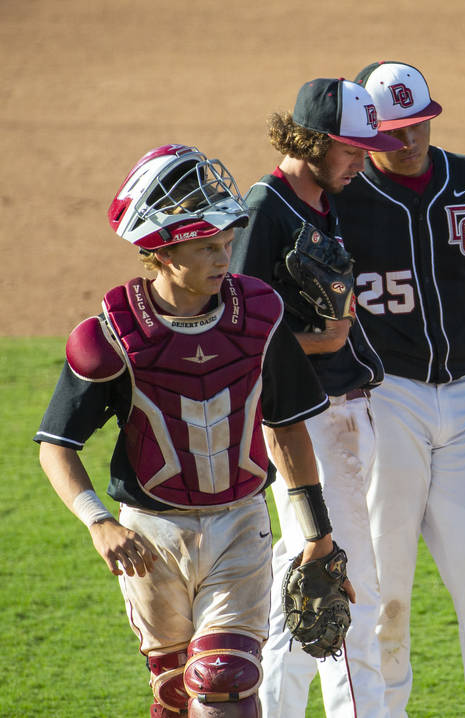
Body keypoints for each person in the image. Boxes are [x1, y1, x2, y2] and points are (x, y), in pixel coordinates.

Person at [34, 143, 349, 718]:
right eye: (207, 247)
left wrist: (316, 536)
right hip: (150, 537)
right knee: (176, 692)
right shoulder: (112, 336)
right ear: (161, 251)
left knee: (226, 680)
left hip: (240, 524)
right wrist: (97, 521)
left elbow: (288, 430)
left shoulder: (260, 316)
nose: (224, 258)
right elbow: (58, 445)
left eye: (227, 243)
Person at [330, 61, 465, 718]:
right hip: (387, 401)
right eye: (393, 129)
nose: (409, 140)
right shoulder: (343, 199)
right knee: (383, 596)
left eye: (420, 123)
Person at [229, 78, 402, 718]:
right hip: (311, 423)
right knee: (346, 590)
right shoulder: (265, 210)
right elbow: (236, 334)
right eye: (352, 149)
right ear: (314, 141)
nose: (363, 160)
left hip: (345, 412)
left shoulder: (323, 200)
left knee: (300, 591)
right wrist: (316, 344)